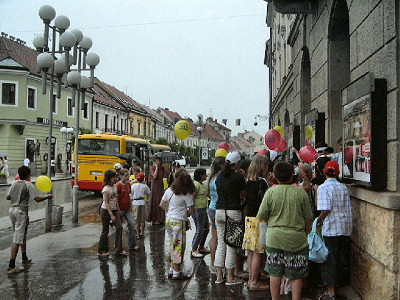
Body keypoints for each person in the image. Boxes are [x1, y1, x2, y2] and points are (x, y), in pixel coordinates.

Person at [257, 161, 313, 300]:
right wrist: (305, 233)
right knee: (296, 274)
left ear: (275, 176)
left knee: (275, 273)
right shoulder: (300, 192)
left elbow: (261, 216)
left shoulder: (271, 192)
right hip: (296, 239)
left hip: (274, 238)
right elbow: (308, 217)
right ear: (292, 175)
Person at [6, 166, 53, 273]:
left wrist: (17, 195)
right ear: (28, 175)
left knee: (21, 235)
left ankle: (24, 258)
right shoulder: (28, 185)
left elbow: (8, 197)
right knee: (18, 237)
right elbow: (36, 199)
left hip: (12, 210)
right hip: (21, 212)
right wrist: (47, 196)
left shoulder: (14, 183)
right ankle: (11, 265)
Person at [317, 161, 352, 300]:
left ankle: (330, 292)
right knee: (341, 259)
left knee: (330, 260)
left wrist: (318, 220)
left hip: (331, 228)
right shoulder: (343, 187)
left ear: (324, 172)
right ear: (337, 173)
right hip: (344, 227)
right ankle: (339, 289)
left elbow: (326, 209)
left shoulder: (323, 187)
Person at [214, 151, 246, 286]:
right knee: (231, 246)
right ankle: (230, 278)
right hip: (233, 212)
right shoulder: (238, 177)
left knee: (221, 243)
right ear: (237, 163)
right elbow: (243, 195)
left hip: (219, 211)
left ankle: (219, 276)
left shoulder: (219, 176)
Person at [160, 168, 195, 280]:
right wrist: (186, 214)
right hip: (179, 222)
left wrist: (170, 211)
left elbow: (162, 204)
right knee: (178, 247)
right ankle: (176, 272)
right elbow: (191, 210)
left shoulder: (169, 190)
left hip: (169, 220)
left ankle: (172, 269)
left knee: (173, 245)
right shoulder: (186, 194)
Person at [242, 154, 269, 291]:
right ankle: (254, 282)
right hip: (260, 219)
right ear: (261, 166)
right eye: (266, 165)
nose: (267, 167)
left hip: (249, 218)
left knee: (251, 252)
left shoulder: (247, 181)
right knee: (258, 252)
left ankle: (251, 279)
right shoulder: (262, 182)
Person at [98, 170, 125, 257]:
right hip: (106, 211)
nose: (115, 179)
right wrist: (111, 215)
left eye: (115, 177)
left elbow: (115, 199)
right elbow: (106, 202)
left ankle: (118, 249)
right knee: (105, 231)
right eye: (113, 177)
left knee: (119, 228)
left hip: (114, 210)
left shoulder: (114, 187)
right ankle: (102, 250)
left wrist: (118, 209)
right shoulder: (106, 189)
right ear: (109, 178)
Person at [207, 156, 225, 274]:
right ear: (222, 166)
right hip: (219, 208)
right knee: (219, 239)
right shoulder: (220, 178)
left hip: (212, 207)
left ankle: (213, 263)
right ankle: (217, 263)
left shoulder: (211, 178)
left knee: (214, 237)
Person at [116, 169, 138, 251]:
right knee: (119, 228)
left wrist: (131, 206)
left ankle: (132, 244)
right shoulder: (118, 185)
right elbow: (116, 199)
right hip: (120, 209)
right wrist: (118, 210)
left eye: (128, 175)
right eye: (126, 176)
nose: (127, 177)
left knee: (132, 224)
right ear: (121, 176)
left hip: (127, 209)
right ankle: (118, 247)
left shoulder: (128, 184)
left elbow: (129, 196)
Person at [191, 168, 210, 258]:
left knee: (206, 228)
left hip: (203, 209)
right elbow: (192, 197)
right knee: (199, 229)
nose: (206, 176)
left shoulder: (202, 185)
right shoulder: (196, 185)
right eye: (204, 174)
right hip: (197, 209)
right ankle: (194, 249)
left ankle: (201, 247)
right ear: (201, 175)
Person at [131, 172, 150, 239]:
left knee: (136, 219)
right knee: (142, 219)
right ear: (143, 179)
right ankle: (142, 232)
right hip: (142, 202)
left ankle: (138, 234)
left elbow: (130, 195)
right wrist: (147, 201)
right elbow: (149, 194)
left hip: (135, 203)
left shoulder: (133, 186)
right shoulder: (145, 186)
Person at [147, 157, 166, 225]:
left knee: (161, 201)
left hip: (161, 186)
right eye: (156, 161)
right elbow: (154, 176)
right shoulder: (152, 168)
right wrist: (157, 167)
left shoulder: (163, 168)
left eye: (159, 161)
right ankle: (155, 219)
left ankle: (161, 219)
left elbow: (164, 177)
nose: (158, 162)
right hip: (155, 186)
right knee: (155, 201)